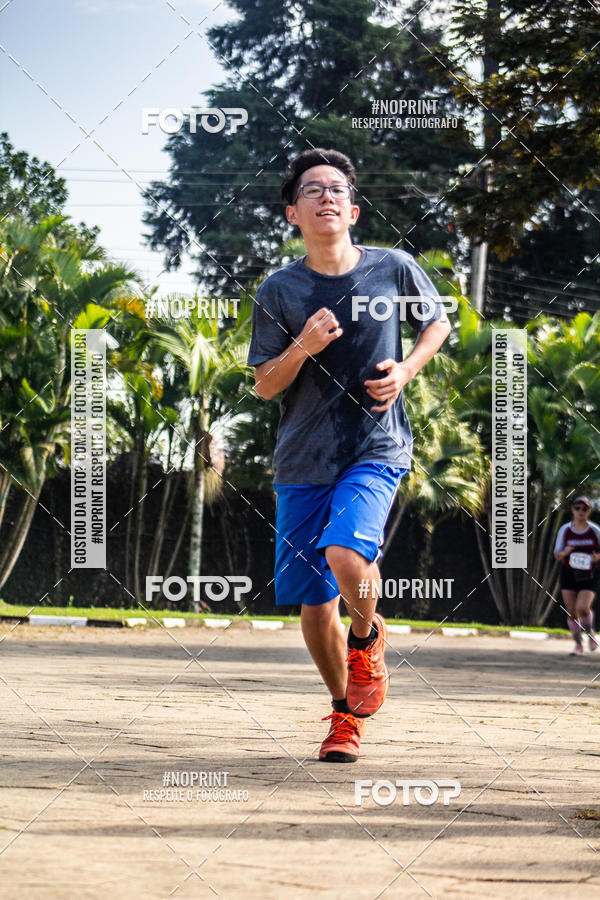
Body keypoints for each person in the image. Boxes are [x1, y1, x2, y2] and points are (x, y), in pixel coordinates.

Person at [247, 148, 451, 762]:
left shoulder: (393, 267)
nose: (326, 197)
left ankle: (366, 640)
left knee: (345, 553)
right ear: (292, 213)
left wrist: (407, 370)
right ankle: (344, 716)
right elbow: (264, 385)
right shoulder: (280, 289)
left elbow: (437, 323)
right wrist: (303, 346)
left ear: (354, 210)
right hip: (303, 458)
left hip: (376, 446)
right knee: (314, 607)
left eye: (337, 189)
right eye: (312, 190)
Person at [554, 495, 600, 655]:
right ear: (573, 510)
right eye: (577, 508)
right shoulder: (565, 530)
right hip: (568, 573)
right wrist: (565, 552)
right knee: (572, 611)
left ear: (589, 511)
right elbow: (557, 554)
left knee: (583, 608)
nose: (580, 511)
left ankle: (590, 634)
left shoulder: (595, 530)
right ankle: (578, 645)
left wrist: (597, 557)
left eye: (584, 508)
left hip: (589, 574)